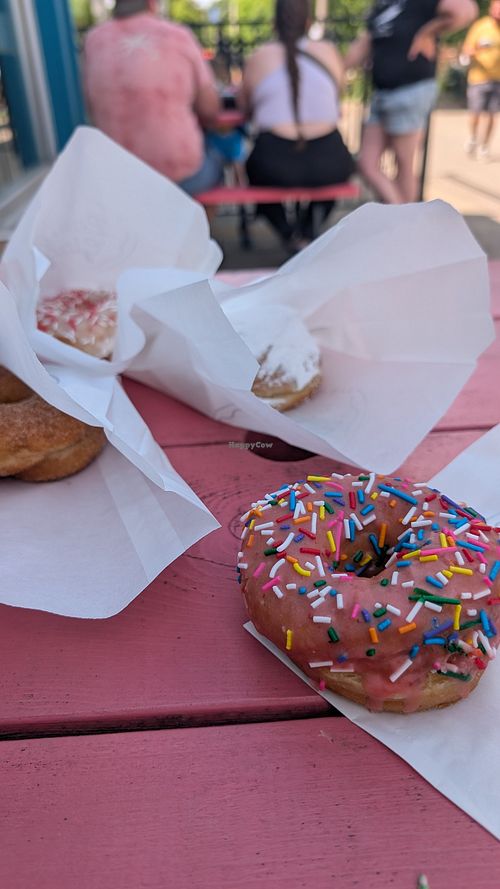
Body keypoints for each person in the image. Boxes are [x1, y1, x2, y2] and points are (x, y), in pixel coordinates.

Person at [238, 0, 354, 252]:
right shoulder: (329, 51)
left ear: (273, 24)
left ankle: (290, 234)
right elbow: (337, 97)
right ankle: (309, 231)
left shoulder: (259, 57)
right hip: (329, 159)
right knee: (337, 171)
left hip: (274, 161)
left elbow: (243, 106)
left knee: (256, 174)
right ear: (308, 22)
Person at [83, 0, 223, 194]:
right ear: (152, 3)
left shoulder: (93, 41)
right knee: (217, 166)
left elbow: (92, 107)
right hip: (178, 171)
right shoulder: (178, 36)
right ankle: (196, 223)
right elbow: (210, 109)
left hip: (117, 175)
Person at [346, 0, 478, 204]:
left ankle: (404, 220)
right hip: (382, 92)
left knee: (404, 163)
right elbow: (363, 45)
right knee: (367, 163)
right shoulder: (381, 6)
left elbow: (465, 10)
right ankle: (399, 212)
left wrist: (428, 32)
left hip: (410, 90)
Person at [462, 1, 500, 159]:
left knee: (492, 115)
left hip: (498, 79)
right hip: (479, 77)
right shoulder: (481, 26)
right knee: (475, 113)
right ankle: (473, 137)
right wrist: (474, 50)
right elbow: (467, 49)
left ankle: (485, 146)